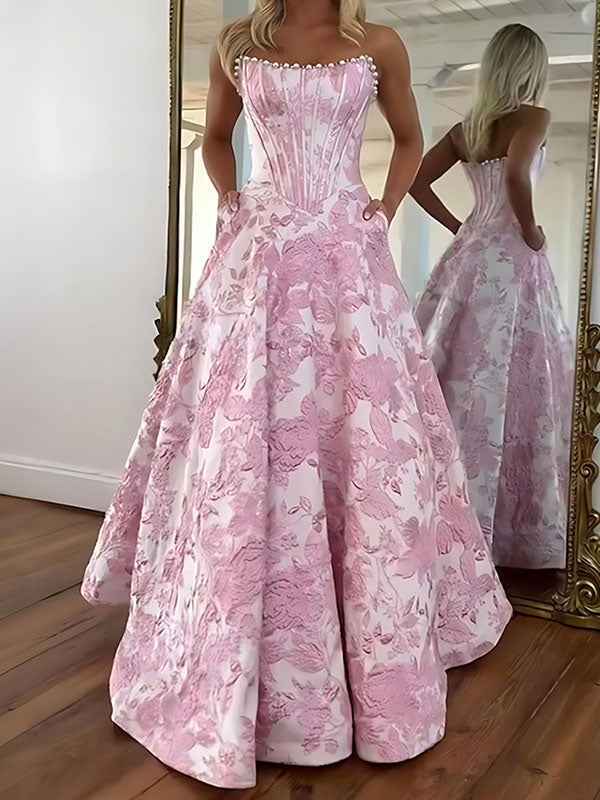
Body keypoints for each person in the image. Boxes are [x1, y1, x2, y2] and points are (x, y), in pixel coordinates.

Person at [81, 0, 511, 788]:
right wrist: (231, 200)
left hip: (348, 249)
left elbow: (409, 139)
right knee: (242, 435)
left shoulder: (378, 43)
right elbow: (215, 138)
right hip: (262, 247)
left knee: (367, 437)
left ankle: (371, 655)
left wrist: (382, 210)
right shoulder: (238, 42)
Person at [412, 24, 572, 571]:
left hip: (468, 257)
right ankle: (510, 535)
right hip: (511, 259)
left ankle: (444, 521)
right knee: (521, 385)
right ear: (532, 68)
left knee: (458, 383)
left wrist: (461, 226)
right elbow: (518, 176)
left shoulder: (469, 128)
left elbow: (415, 181)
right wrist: (530, 230)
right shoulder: (534, 117)